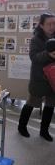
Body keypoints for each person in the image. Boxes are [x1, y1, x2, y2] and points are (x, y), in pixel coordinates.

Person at [18, 13, 55, 142]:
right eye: (49, 24)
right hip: (39, 78)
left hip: (53, 78)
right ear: (41, 25)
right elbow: (34, 57)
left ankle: (44, 131)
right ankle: (22, 126)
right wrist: (49, 55)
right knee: (31, 103)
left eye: (54, 23)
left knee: (50, 105)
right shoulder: (36, 39)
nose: (52, 27)